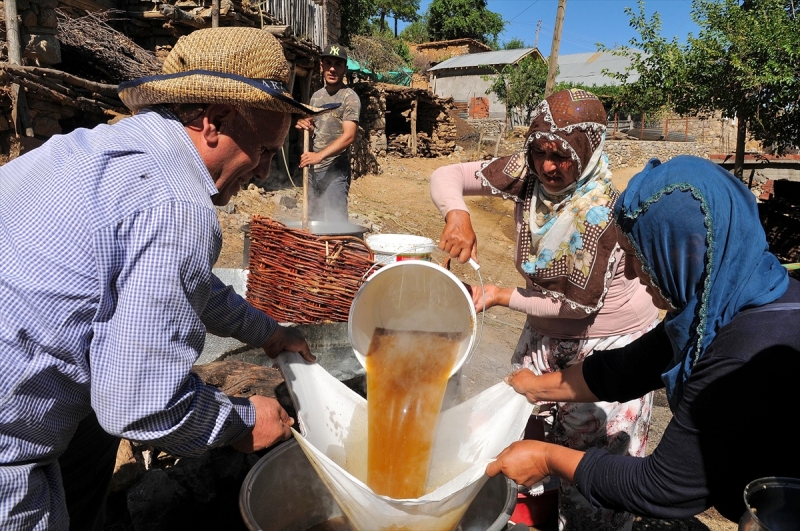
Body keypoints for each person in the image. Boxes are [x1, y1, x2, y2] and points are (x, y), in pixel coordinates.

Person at [0, 27, 335, 530]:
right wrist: (243, 422)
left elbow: (186, 280)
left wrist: (267, 332)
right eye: (266, 149)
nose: (266, 172)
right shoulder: (178, 206)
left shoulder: (89, 149)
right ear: (216, 121)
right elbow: (139, 403)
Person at [486, 155, 800, 522]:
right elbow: (626, 368)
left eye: (640, 256)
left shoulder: (744, 353)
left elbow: (667, 488)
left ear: (689, 248)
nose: (634, 274)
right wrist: (538, 387)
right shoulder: (720, 305)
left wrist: (546, 457)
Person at [431, 88, 660, 530]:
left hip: (607, 344)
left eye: (565, 156)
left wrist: (498, 295)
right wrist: (456, 214)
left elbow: (574, 306)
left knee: (589, 463)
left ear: (590, 151)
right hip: (548, 329)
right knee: (528, 431)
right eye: (542, 151)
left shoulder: (601, 215)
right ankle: (535, 516)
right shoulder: (526, 173)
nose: (550, 167)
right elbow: (446, 175)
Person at [295, 44, 361, 222]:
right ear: (321, 66)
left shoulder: (350, 98)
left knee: (335, 222)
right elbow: (316, 125)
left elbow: (348, 136)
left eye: (338, 64)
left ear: (345, 69)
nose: (332, 69)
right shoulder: (316, 96)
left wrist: (319, 156)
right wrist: (306, 124)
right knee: (311, 220)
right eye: (328, 63)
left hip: (336, 170)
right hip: (313, 171)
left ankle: (337, 250)